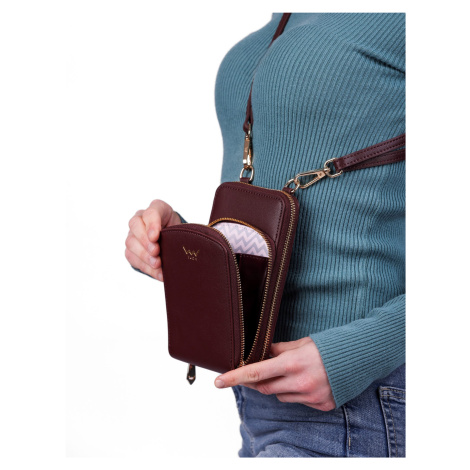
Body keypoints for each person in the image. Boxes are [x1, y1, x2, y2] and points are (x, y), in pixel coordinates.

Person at [125, 13, 405, 458]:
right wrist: (176, 248)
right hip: (257, 397)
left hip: (356, 405)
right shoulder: (279, 22)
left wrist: (358, 353)